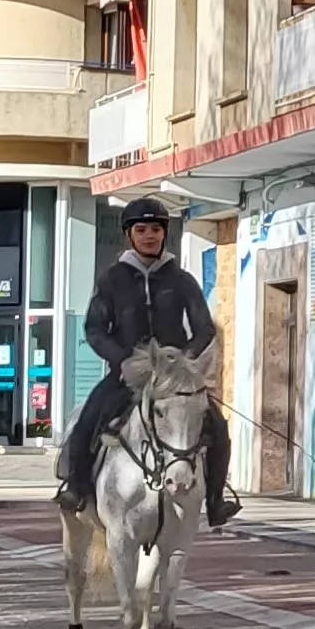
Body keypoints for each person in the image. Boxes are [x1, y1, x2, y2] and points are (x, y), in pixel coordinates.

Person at [54, 197, 237, 526]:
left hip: (173, 378)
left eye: (156, 229)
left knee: (219, 428)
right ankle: (77, 488)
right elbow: (95, 329)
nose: (150, 235)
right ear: (129, 235)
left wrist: (184, 362)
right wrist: (122, 361)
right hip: (127, 375)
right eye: (142, 229)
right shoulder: (112, 280)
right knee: (87, 421)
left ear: (164, 233)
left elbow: (204, 329)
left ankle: (215, 500)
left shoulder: (182, 281)